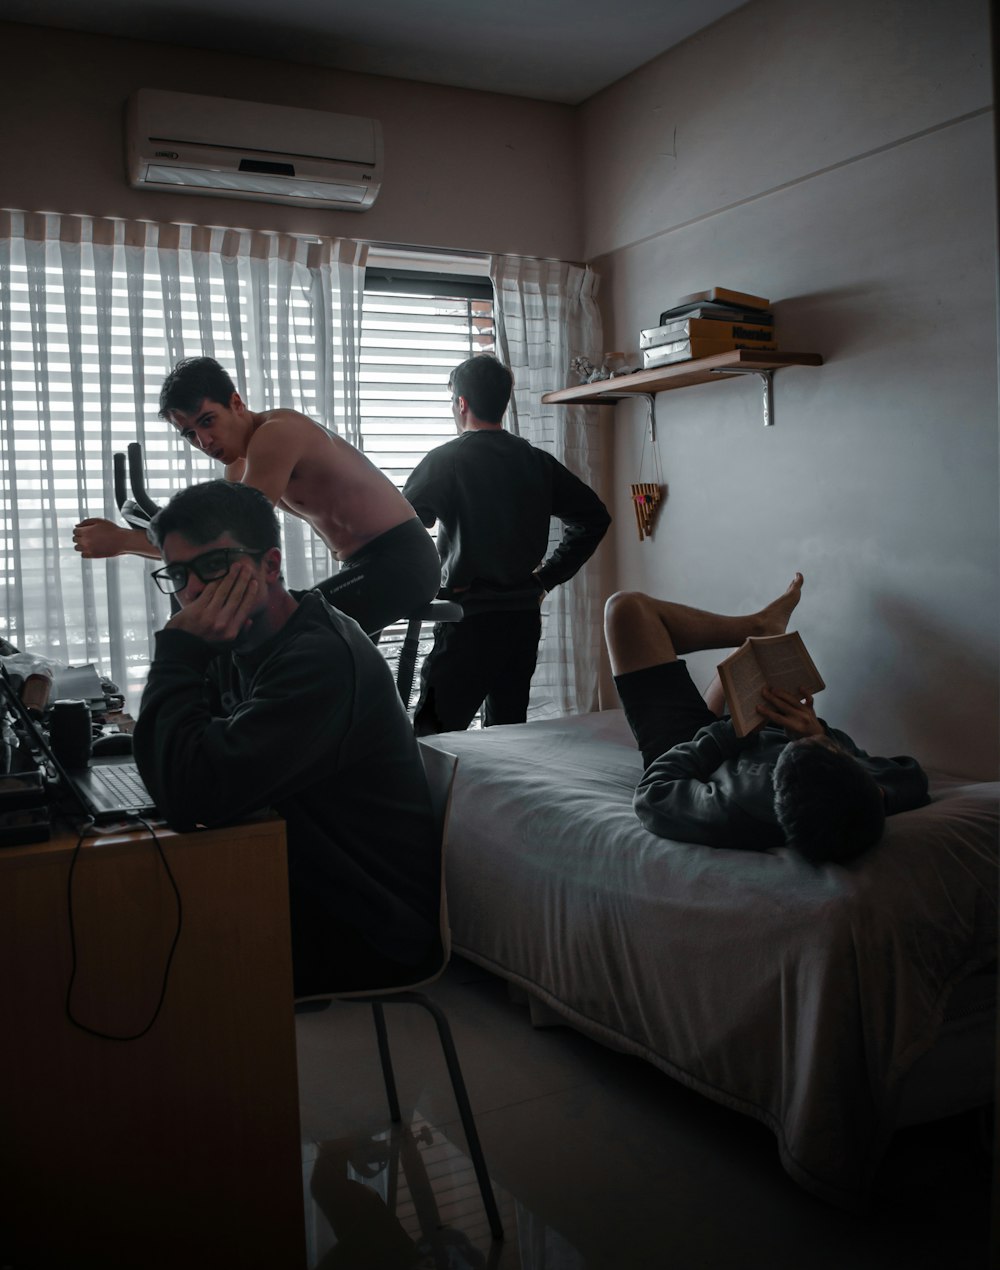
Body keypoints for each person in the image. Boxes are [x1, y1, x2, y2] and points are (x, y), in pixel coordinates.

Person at [131, 479, 441, 997]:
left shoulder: (318, 660)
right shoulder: (238, 640)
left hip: (365, 925)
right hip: (297, 879)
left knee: (134, 951)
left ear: (271, 565)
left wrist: (178, 652)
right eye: (179, 575)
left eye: (212, 566)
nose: (193, 591)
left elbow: (190, 794)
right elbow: (188, 754)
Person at [73, 357, 441, 636]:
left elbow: (225, 540)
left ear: (236, 403)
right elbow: (217, 543)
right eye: (189, 435)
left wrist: (122, 541)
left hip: (401, 560)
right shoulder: (238, 468)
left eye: (207, 421)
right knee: (321, 655)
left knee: (294, 627)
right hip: (362, 565)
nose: (204, 442)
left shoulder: (276, 434)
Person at [604, 573, 929, 863]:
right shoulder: (861, 795)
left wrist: (733, 732)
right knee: (747, 659)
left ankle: (757, 626)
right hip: (751, 730)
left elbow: (654, 791)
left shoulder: (735, 811)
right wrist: (816, 733)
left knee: (625, 610)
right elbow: (912, 777)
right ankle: (758, 632)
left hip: (691, 752)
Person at [402, 354, 611, 733]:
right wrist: (544, 579)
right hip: (521, 622)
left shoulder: (446, 461)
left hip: (467, 621)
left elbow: (401, 531)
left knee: (431, 740)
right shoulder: (536, 461)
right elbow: (594, 518)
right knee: (509, 737)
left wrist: (429, 584)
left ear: (461, 403)